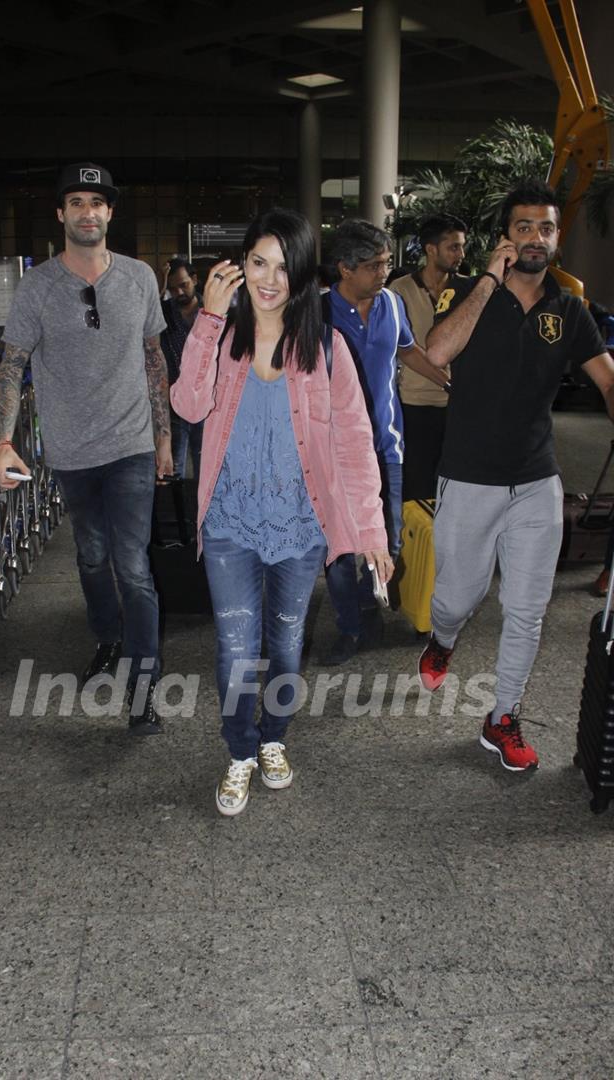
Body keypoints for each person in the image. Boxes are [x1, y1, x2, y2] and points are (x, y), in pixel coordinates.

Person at [171, 207, 393, 816]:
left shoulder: (326, 347)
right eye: (257, 263)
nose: (269, 279)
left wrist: (371, 530)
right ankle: (241, 750)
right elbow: (188, 405)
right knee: (237, 648)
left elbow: (353, 442)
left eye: (283, 267)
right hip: (230, 521)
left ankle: (274, 738)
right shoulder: (219, 335)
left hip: (299, 525)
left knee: (288, 647)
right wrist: (209, 319)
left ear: (302, 275)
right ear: (240, 266)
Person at [419, 179, 614, 771]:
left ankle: (501, 716)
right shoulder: (468, 293)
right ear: (506, 236)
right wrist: (487, 282)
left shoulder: (570, 308)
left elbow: (607, 377)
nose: (536, 237)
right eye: (524, 226)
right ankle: (444, 639)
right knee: (459, 595)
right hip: (470, 477)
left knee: (528, 607)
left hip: (536, 481)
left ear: (558, 238)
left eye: (546, 228)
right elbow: (436, 353)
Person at [0, 161, 172, 733]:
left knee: (134, 567)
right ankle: (109, 639)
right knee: (92, 558)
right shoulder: (38, 287)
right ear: (61, 213)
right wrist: (2, 442)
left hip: (131, 445)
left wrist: (164, 437)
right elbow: (12, 365)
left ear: (110, 213)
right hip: (70, 451)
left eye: (97, 202)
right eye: (76, 202)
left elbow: (153, 359)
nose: (87, 212)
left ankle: (142, 688)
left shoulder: (140, 277)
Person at [319, 219, 448, 664]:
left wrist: (450, 384)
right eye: (374, 266)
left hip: (387, 448)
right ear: (345, 268)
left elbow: (409, 351)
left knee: (389, 543)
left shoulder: (392, 303)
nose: (384, 273)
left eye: (388, 263)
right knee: (337, 552)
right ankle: (352, 627)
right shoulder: (317, 312)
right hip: (333, 454)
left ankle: (365, 606)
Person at [390, 214, 467, 500]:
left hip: (458, 407)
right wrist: (448, 382)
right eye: (453, 247)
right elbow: (404, 347)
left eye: (462, 247)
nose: (461, 254)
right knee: (417, 484)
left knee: (456, 484)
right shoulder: (400, 289)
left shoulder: (469, 289)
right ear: (430, 249)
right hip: (415, 403)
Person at [161, 258, 204, 481]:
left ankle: (201, 515)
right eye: (173, 288)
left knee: (204, 467)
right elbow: (146, 319)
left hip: (206, 401)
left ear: (194, 280)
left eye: (184, 285)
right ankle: (179, 514)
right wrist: (161, 286)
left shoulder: (211, 311)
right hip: (174, 401)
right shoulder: (165, 312)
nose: (179, 292)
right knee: (173, 467)